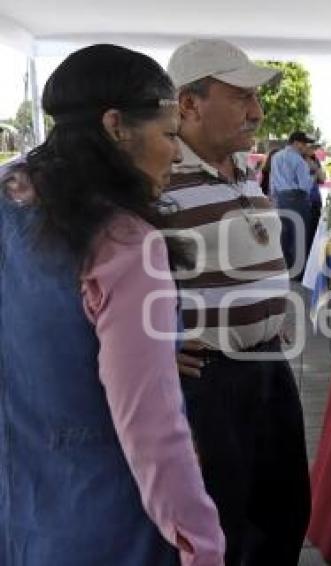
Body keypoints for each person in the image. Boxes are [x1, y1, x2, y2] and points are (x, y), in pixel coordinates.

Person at [0, 44, 224, 565]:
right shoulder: (125, 244)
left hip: (20, 510)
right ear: (116, 125)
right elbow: (153, 434)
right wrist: (203, 545)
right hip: (104, 520)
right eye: (169, 134)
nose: (177, 152)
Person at [163, 38, 310, 566]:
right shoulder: (154, 179)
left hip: (268, 364)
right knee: (222, 521)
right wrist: (153, 348)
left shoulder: (242, 168)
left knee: (285, 508)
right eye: (241, 95)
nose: (257, 110)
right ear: (189, 104)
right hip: (209, 380)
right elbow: (97, 286)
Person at [270, 131, 315, 279]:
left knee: (284, 234)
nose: (305, 147)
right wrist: (313, 177)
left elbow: (273, 182)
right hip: (298, 197)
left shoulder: (276, 157)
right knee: (299, 234)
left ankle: (284, 269)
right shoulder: (299, 160)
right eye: (303, 143)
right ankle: (298, 273)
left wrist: (274, 198)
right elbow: (305, 185)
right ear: (295, 143)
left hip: (282, 198)